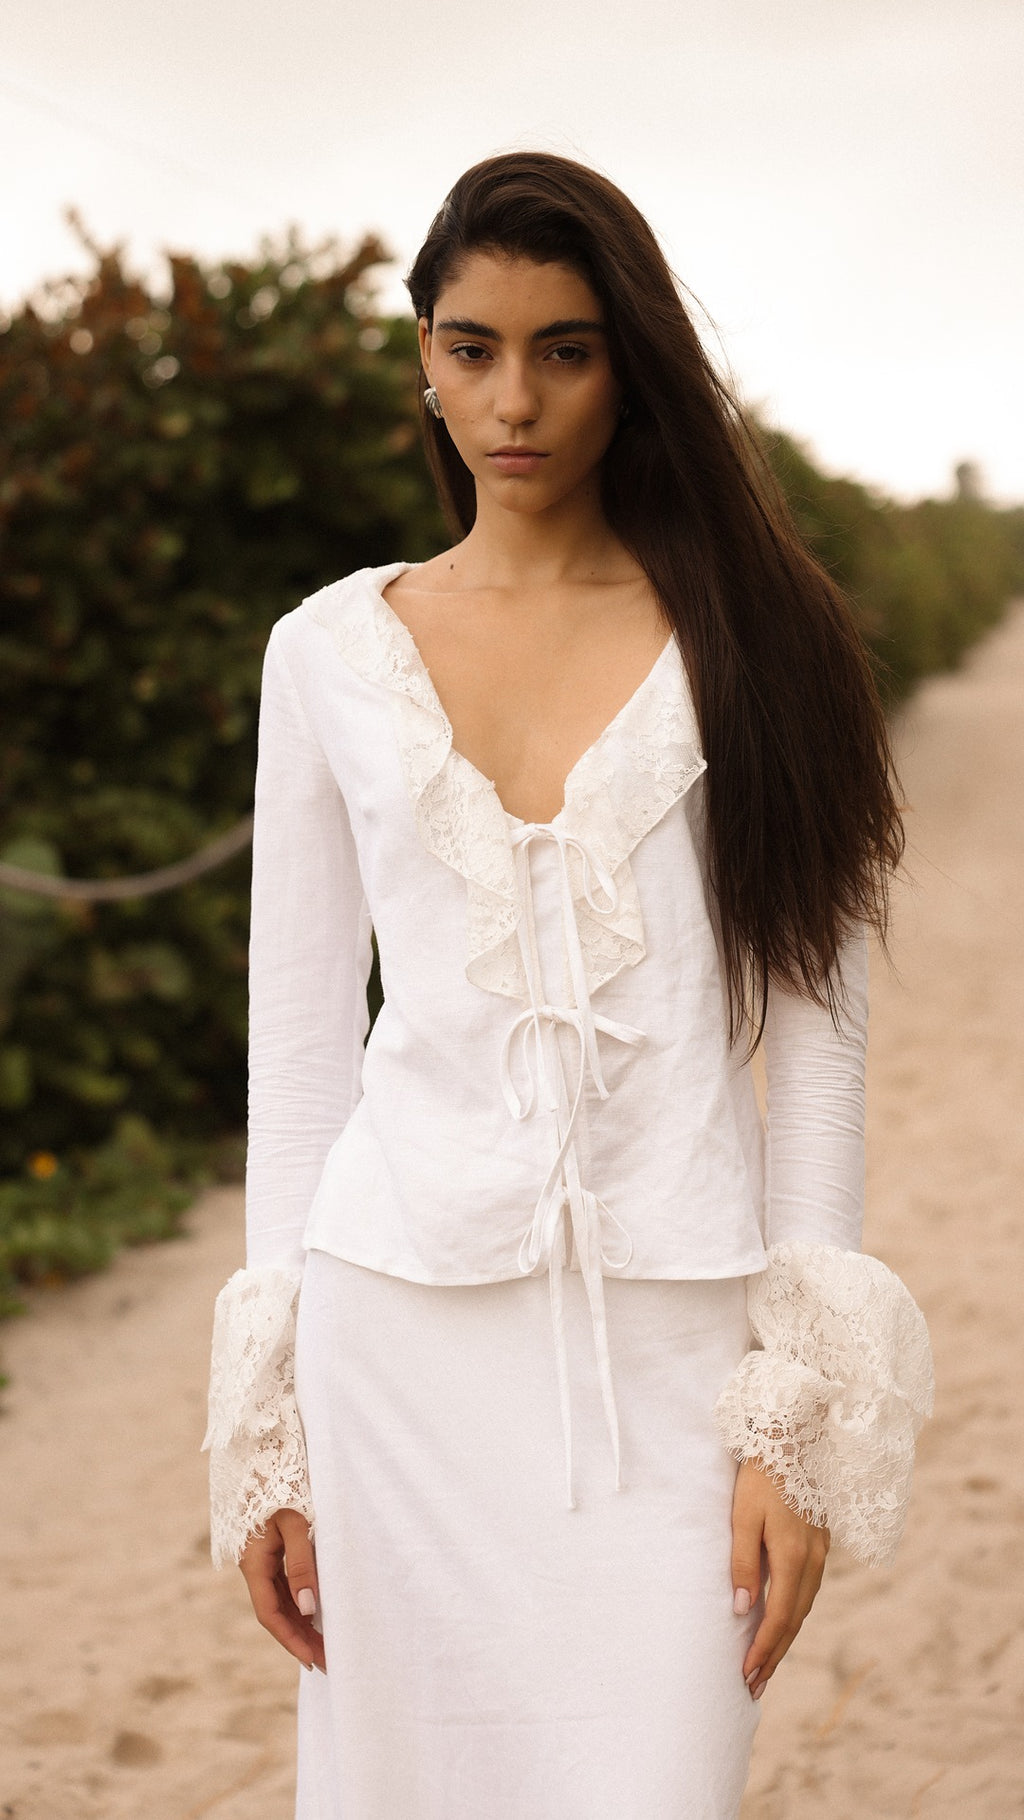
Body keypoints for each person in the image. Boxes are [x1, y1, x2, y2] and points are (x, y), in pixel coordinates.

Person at [203, 151, 934, 1818]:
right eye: (473, 348)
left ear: (633, 362)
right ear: (425, 362)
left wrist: (791, 1423)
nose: (513, 398)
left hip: (682, 1359)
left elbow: (817, 1061)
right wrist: (274, 1436)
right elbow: (304, 1056)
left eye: (567, 349)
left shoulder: (762, 640)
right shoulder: (323, 653)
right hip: (392, 1355)